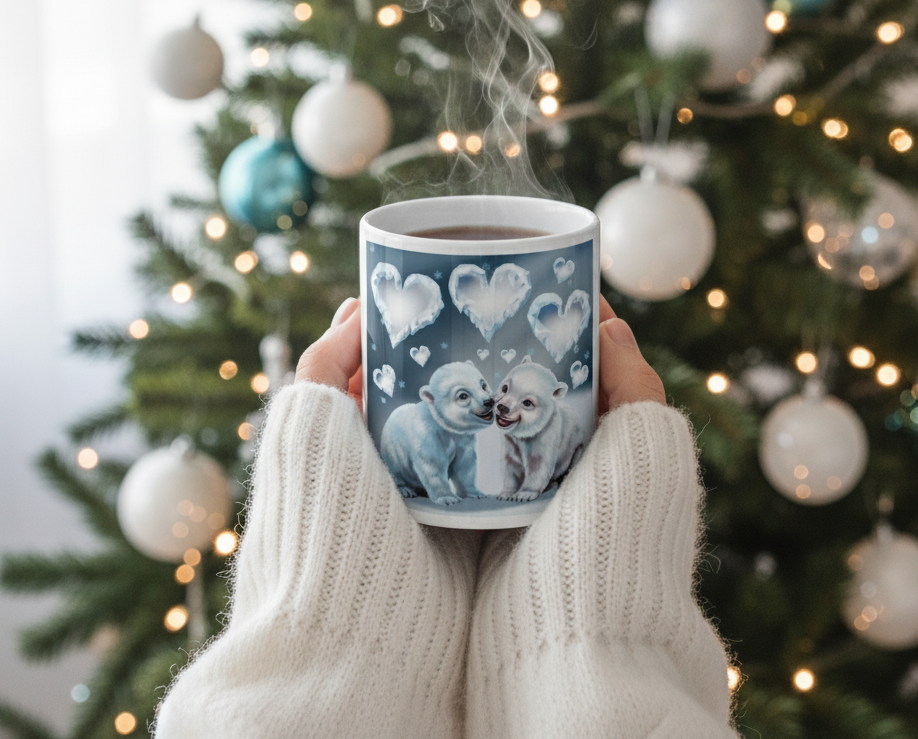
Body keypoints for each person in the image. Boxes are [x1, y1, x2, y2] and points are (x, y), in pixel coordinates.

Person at [153, 296, 739, 739]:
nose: (494, 405)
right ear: (430, 402)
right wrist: (601, 641)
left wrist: (326, 627)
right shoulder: (424, 421)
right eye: (492, 393)